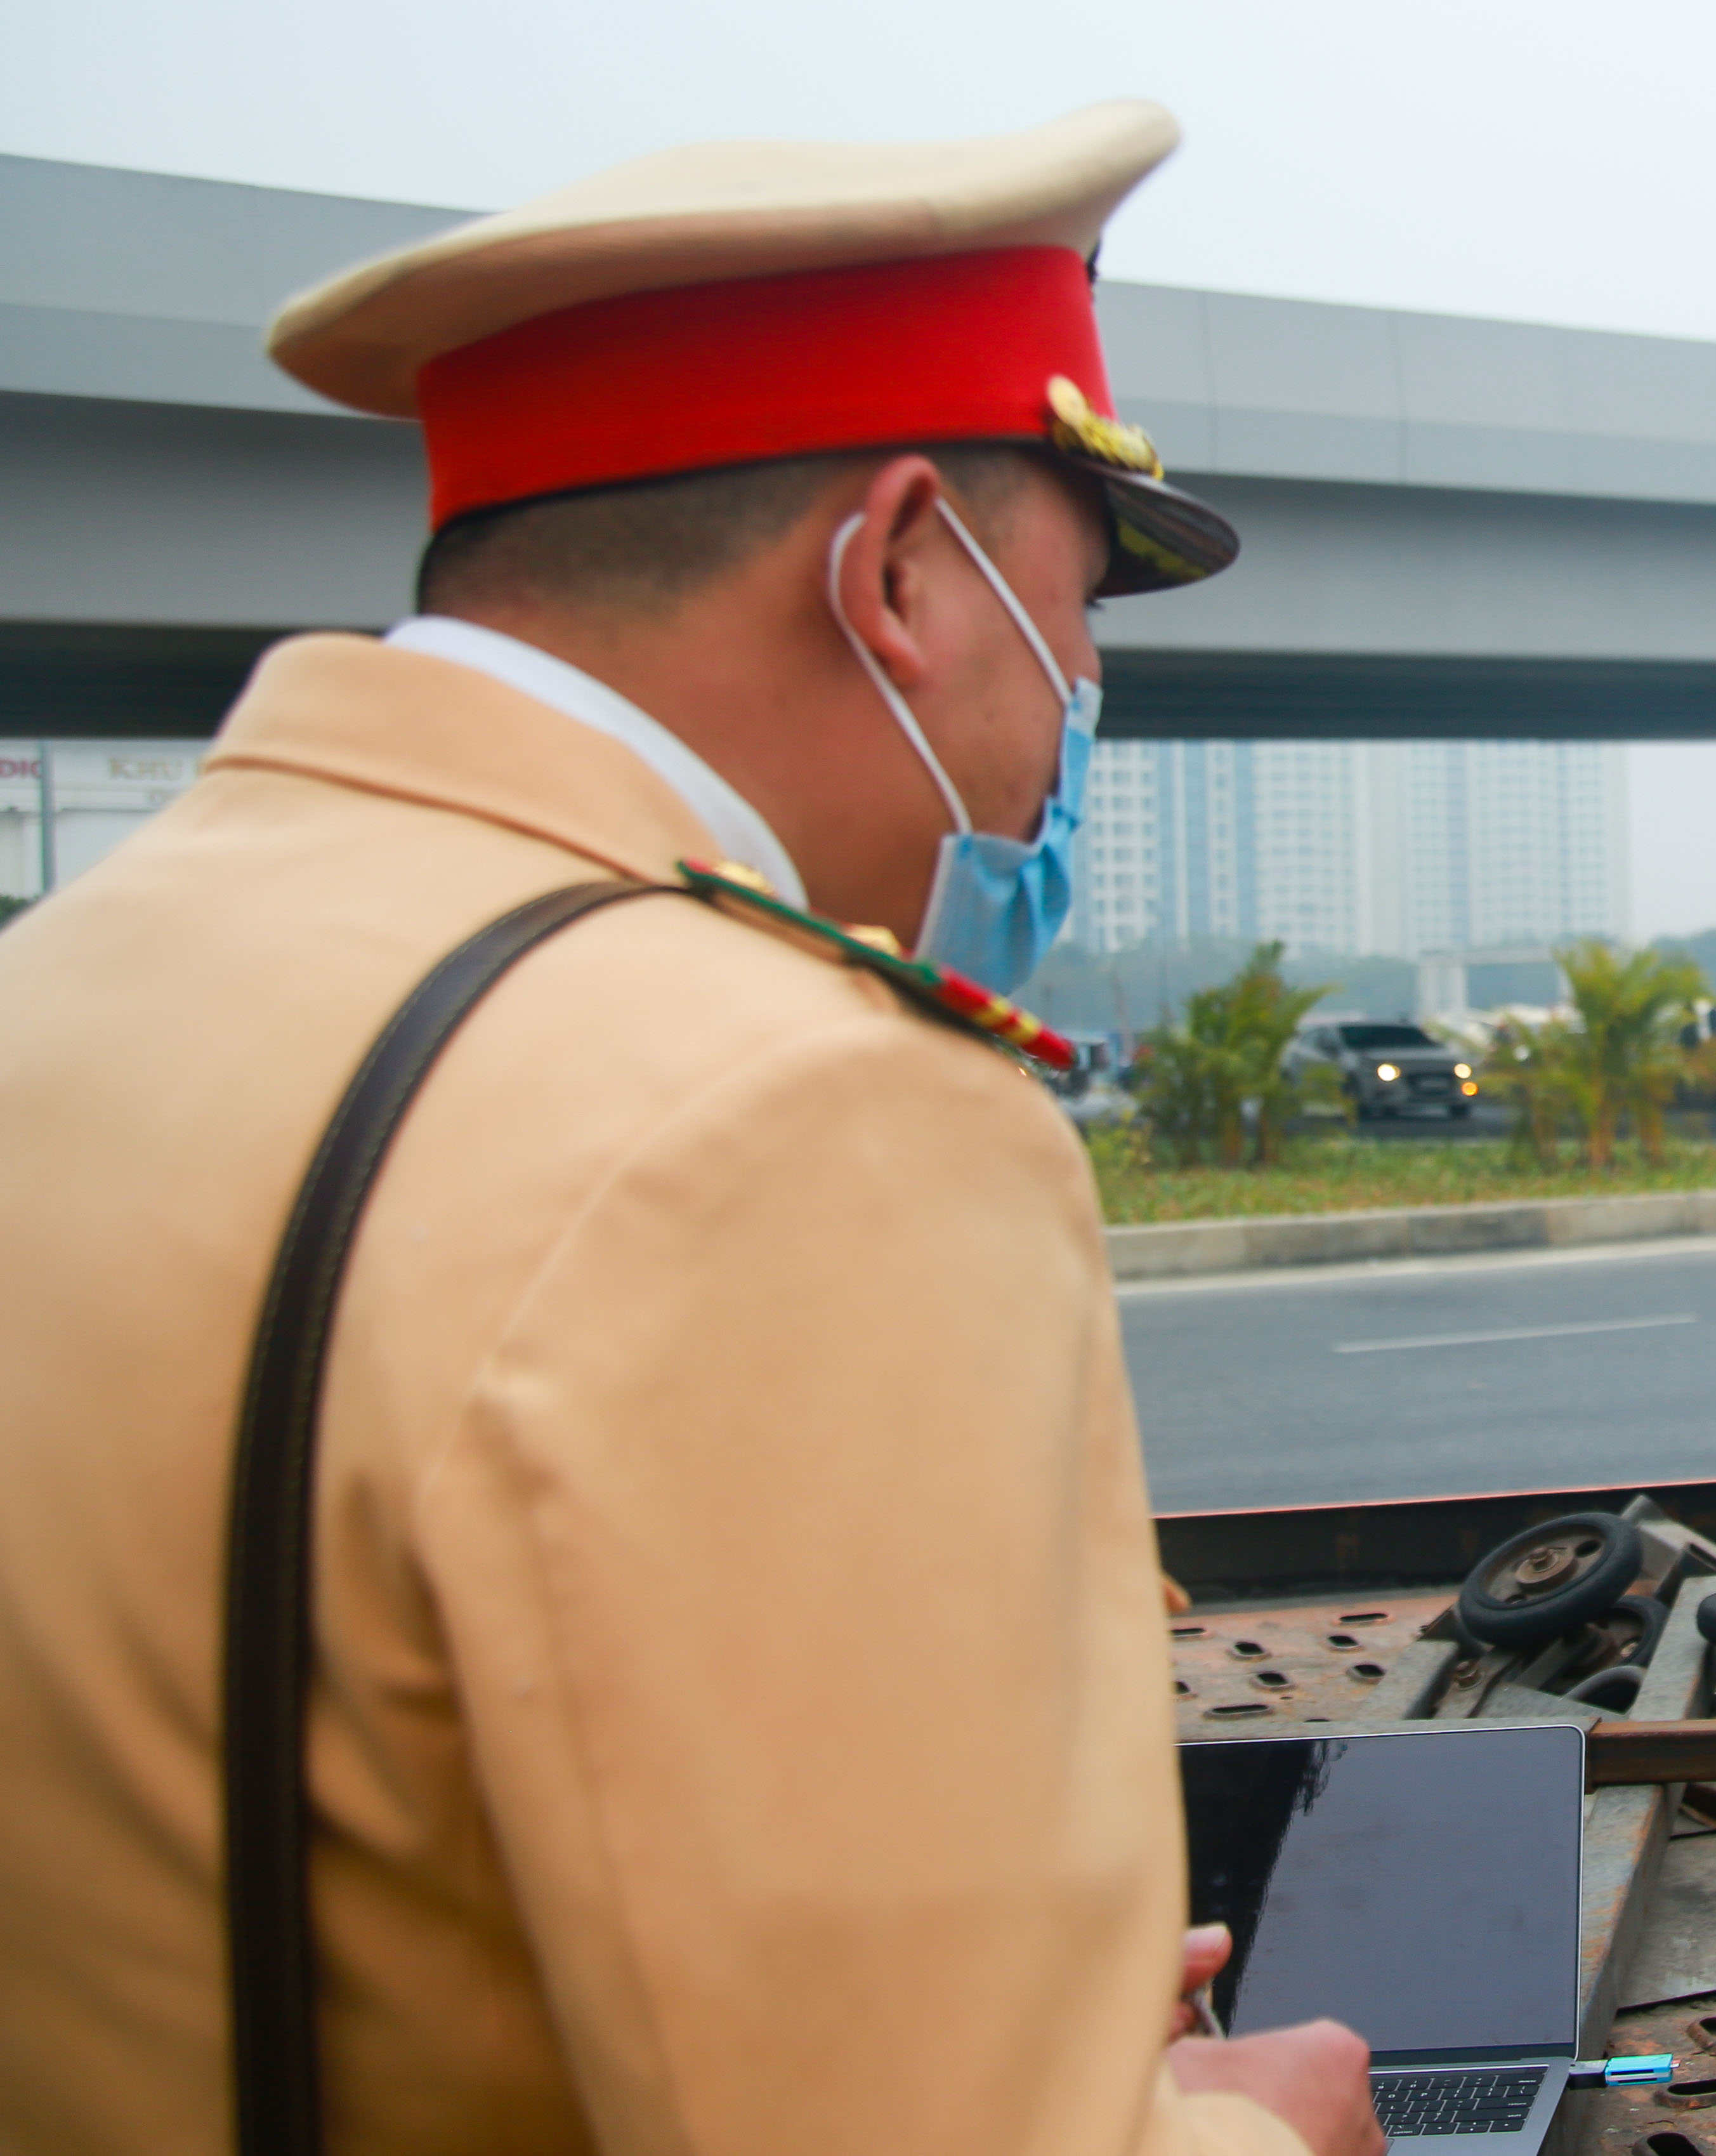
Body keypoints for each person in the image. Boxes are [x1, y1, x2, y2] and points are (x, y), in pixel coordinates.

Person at [0, 105, 1379, 2156]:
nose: (1081, 689)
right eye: (1079, 608)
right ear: (899, 568)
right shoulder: (797, 1111)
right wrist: (1240, 2125)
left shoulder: (83, 982)